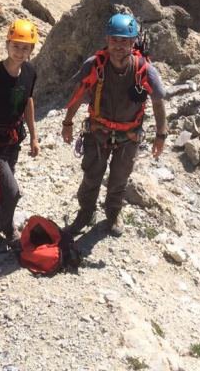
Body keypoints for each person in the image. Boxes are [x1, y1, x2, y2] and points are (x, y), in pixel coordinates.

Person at [61, 13, 167, 237]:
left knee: (119, 179)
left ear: (133, 42)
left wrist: (161, 135)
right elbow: (78, 95)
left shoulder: (144, 70)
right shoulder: (95, 65)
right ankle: (85, 212)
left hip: (129, 136)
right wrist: (67, 122)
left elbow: (158, 102)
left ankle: (113, 213)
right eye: (114, 40)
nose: (118, 45)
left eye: (124, 41)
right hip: (98, 132)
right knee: (92, 175)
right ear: (107, 40)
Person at [0, 18, 40, 244]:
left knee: (0, 183)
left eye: (25, 48)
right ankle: (7, 228)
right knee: (12, 191)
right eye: (16, 46)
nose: (20, 52)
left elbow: (28, 101)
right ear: (7, 45)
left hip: (13, 139)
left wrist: (34, 137)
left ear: (31, 50)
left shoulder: (30, 71)